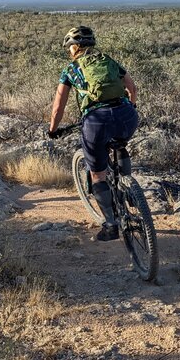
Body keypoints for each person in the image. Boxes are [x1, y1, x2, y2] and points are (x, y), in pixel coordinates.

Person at [47, 26, 139, 241]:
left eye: (70, 47)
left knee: (98, 174)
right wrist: (130, 108)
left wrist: (52, 130)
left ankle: (110, 225)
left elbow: (58, 107)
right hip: (127, 116)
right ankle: (128, 188)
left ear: (74, 47)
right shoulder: (109, 61)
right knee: (119, 143)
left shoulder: (71, 69)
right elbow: (132, 89)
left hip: (97, 121)